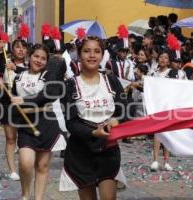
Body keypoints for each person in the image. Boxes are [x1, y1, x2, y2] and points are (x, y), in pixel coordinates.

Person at [59, 36, 127, 199]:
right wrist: (93, 133)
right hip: (80, 152)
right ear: (79, 55)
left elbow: (126, 108)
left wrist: (117, 120)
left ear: (102, 55)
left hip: (108, 149)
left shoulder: (111, 80)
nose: (92, 55)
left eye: (97, 51)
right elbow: (71, 122)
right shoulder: (69, 85)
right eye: (87, 51)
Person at [10, 44, 66, 200]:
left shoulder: (49, 76)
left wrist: (24, 100)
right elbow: (12, 102)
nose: (39, 60)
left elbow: (48, 95)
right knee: (25, 163)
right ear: (29, 57)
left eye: (43, 58)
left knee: (42, 166)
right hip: (26, 125)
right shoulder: (18, 77)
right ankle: (25, 193)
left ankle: (38, 198)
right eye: (36, 56)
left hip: (47, 123)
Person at [0, 39, 28, 180]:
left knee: (24, 140)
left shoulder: (30, 65)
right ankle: (12, 170)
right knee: (10, 138)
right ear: (12, 50)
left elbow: (31, 76)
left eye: (23, 48)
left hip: (25, 105)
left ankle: (25, 165)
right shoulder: (5, 62)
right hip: (7, 105)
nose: (21, 50)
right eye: (17, 47)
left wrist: (17, 68)